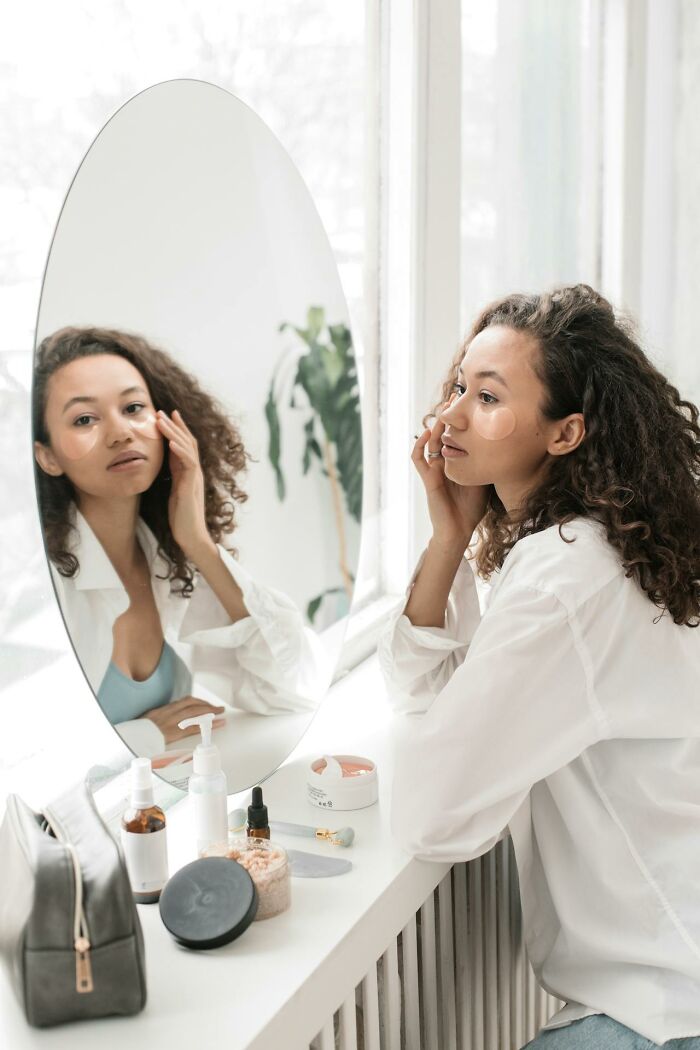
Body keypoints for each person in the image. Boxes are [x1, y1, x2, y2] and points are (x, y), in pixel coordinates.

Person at [378, 285, 700, 1048]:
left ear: (566, 433)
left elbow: (431, 816)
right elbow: (422, 687)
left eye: (487, 397)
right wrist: (449, 538)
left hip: (664, 1003)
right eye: (459, 384)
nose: (449, 414)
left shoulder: (567, 578)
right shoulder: (597, 549)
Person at [33, 326, 324, 757]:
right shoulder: (46, 589)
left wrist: (199, 544)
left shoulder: (170, 560)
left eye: (133, 407)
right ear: (48, 456)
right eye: (84, 419)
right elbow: (32, 760)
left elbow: (290, 686)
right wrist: (146, 737)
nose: (120, 433)